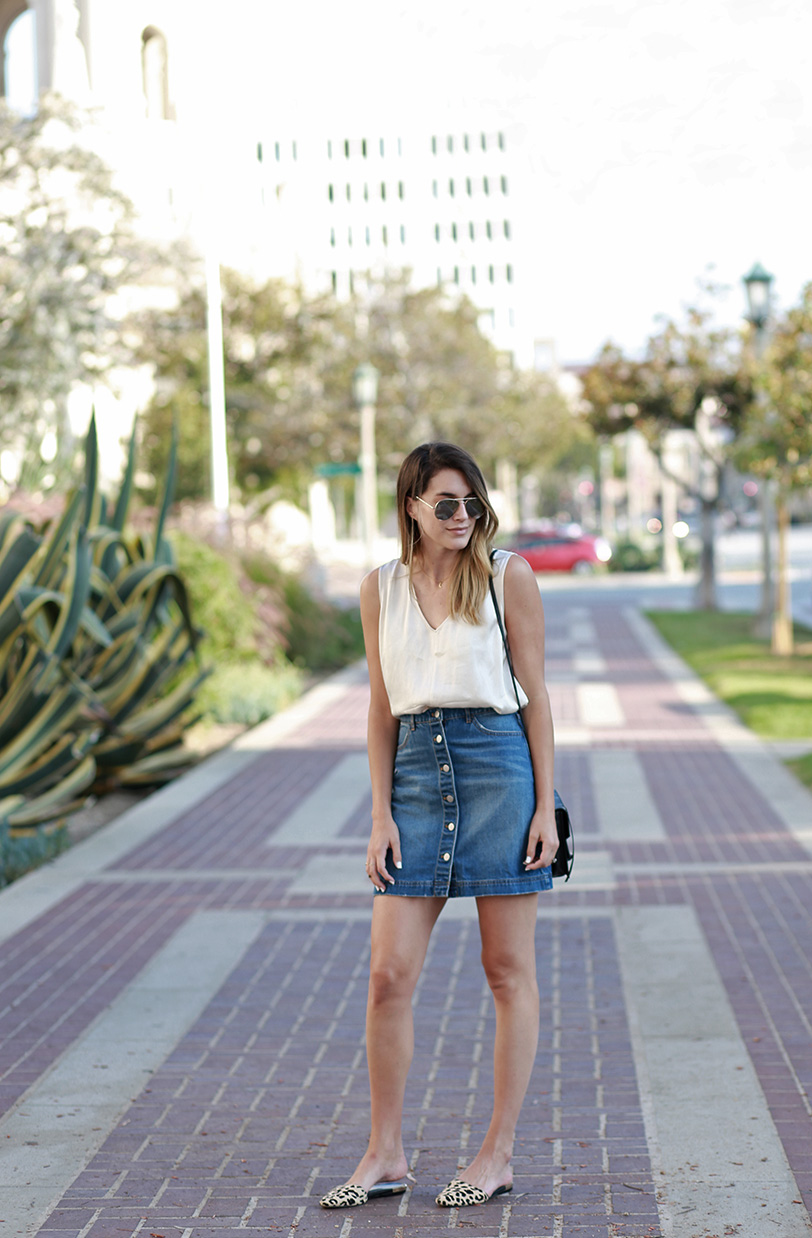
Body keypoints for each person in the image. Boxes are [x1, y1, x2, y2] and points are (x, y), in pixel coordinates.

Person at [320, 441, 559, 1212]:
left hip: (499, 770)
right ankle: (385, 1153)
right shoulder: (380, 588)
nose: (462, 518)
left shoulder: (506, 576)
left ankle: (497, 1154)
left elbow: (538, 699)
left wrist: (545, 809)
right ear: (413, 508)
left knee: (505, 971)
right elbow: (380, 707)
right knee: (388, 975)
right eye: (446, 505)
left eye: (472, 505)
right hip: (417, 779)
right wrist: (380, 811)